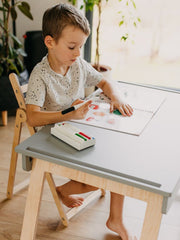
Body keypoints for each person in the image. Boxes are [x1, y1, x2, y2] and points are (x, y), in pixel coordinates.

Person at [26, 3, 136, 240]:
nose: (78, 53)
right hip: (54, 137)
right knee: (105, 175)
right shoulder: (40, 75)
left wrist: (115, 98)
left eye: (81, 46)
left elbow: (105, 82)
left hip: (80, 127)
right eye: (72, 47)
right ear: (50, 43)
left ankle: (115, 218)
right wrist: (68, 114)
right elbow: (32, 116)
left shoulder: (78, 65)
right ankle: (65, 190)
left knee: (119, 160)